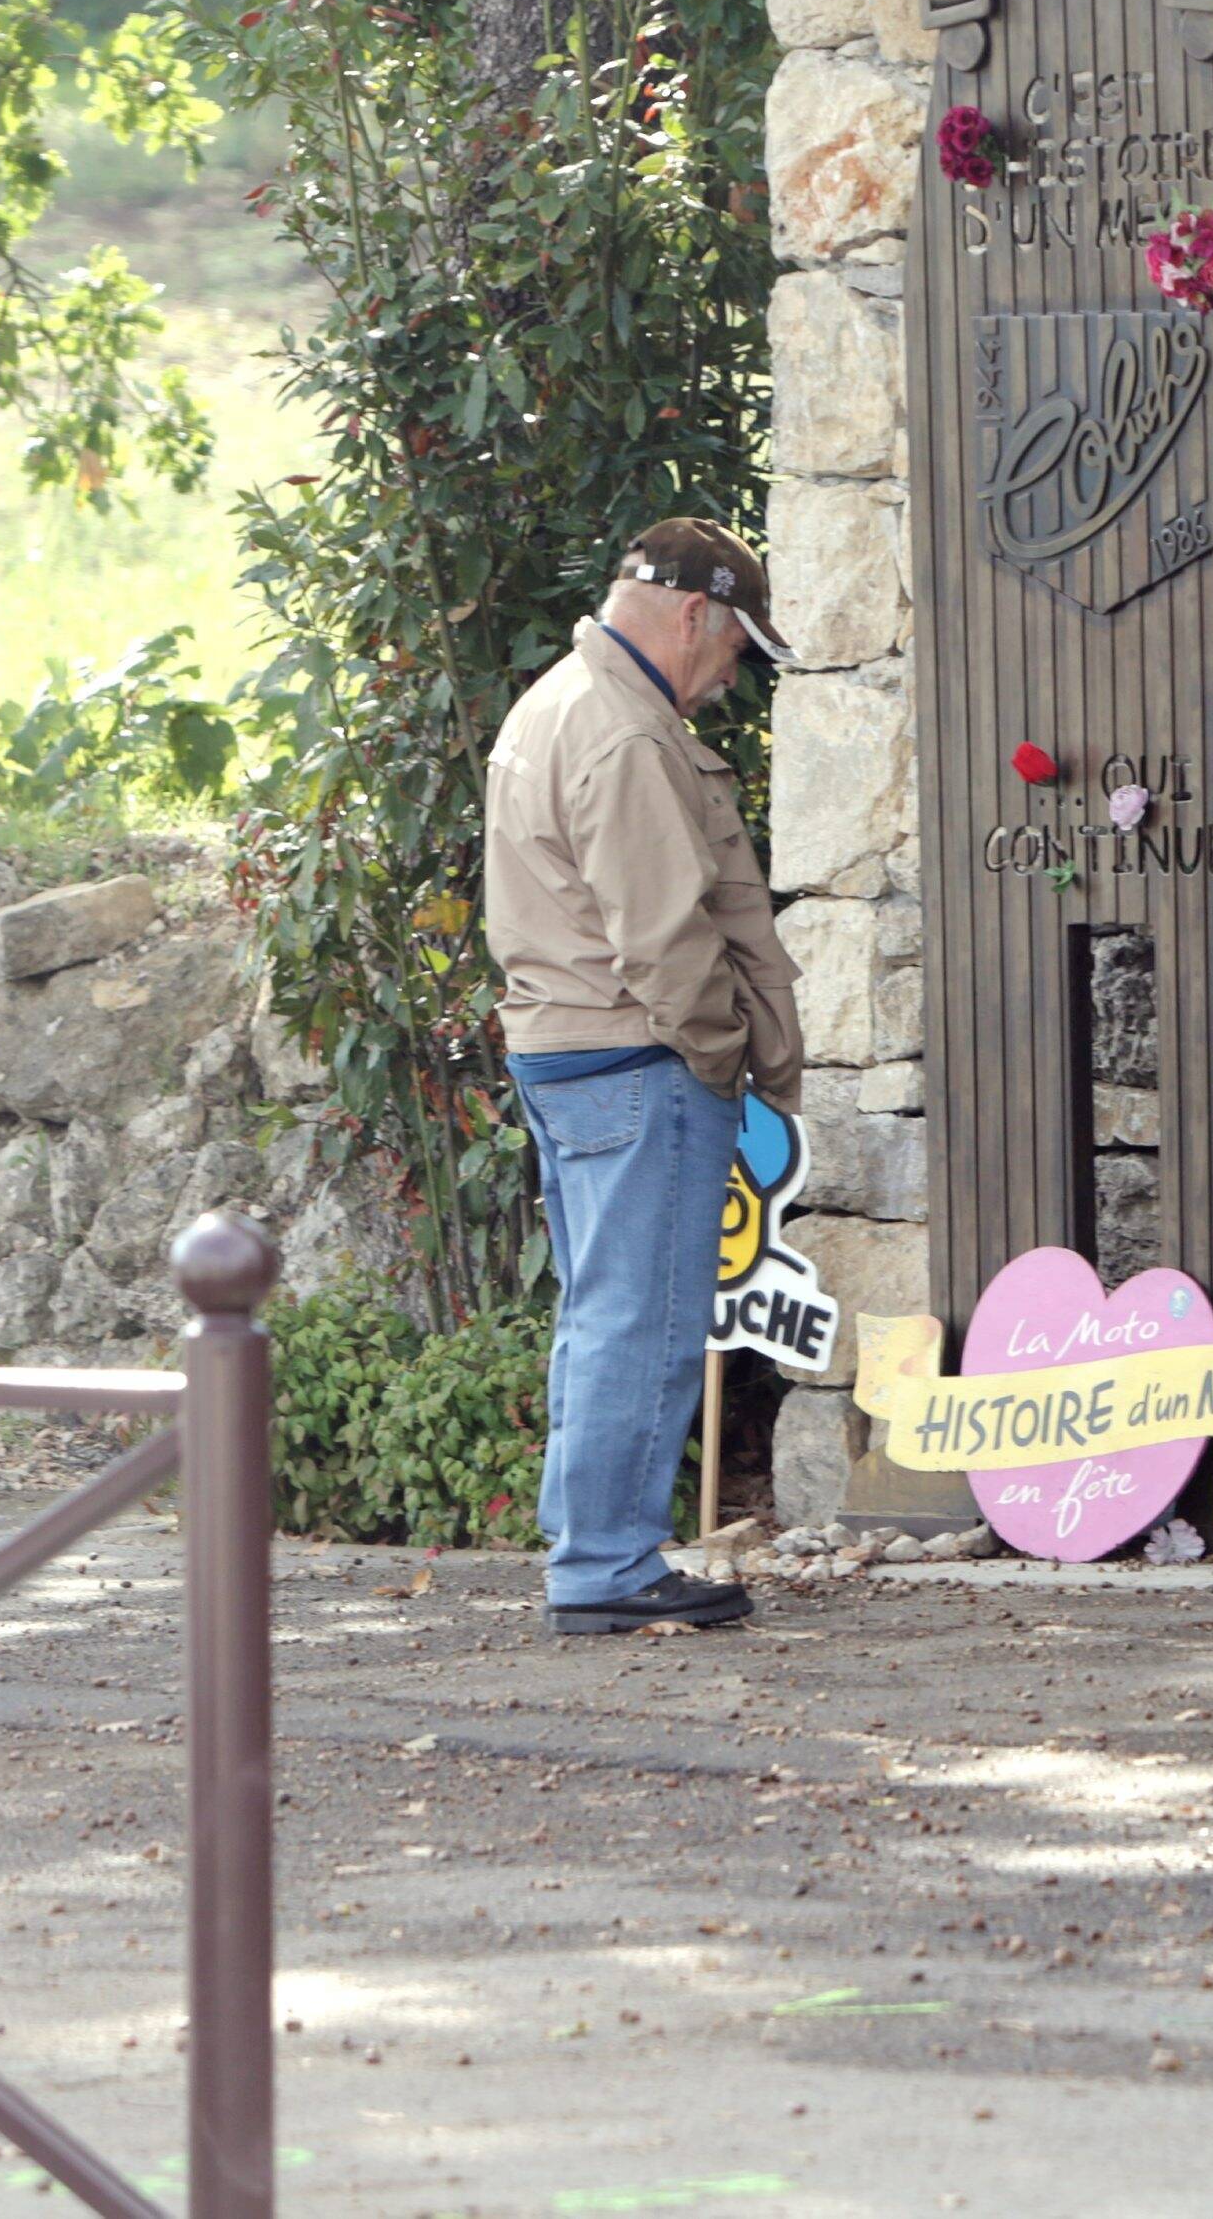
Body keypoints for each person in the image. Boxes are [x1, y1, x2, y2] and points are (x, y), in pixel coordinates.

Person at [482, 519, 809, 1636]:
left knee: (602, 1311)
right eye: (732, 650)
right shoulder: (623, 734)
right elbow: (667, 940)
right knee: (647, 1319)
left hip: (568, 1051)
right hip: (639, 1058)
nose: (729, 677)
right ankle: (608, 1565)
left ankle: (593, 1549)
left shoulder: (557, 704)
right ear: (689, 615)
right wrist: (722, 1063)